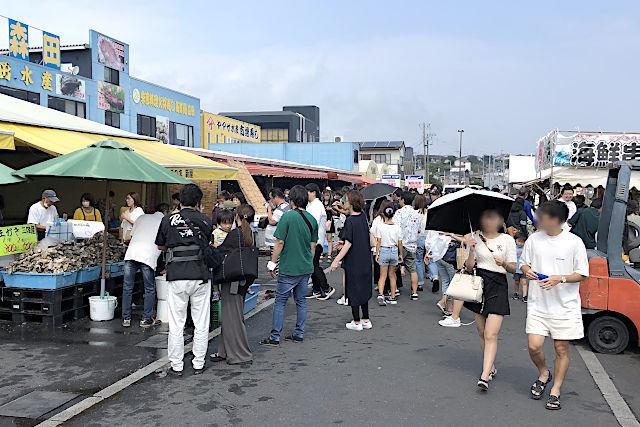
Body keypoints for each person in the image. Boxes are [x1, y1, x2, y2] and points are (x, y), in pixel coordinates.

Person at [520, 201, 589, 410]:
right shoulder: (534, 239)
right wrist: (526, 270)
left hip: (564, 306)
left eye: (542, 216)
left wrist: (560, 278)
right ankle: (544, 373)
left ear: (556, 220)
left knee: (561, 348)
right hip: (538, 303)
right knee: (534, 345)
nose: (538, 219)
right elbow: (523, 262)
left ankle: (556, 389)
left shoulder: (574, 242)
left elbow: (582, 273)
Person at [441, 208, 517, 393]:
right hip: (479, 283)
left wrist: (504, 264)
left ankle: (484, 375)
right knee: (482, 331)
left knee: (491, 333)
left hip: (498, 285)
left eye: (493, 217)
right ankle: (490, 366)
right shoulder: (475, 237)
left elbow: (514, 269)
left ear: (500, 220)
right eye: (486, 217)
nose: (489, 221)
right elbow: (468, 267)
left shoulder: (507, 239)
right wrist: (471, 250)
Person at [155, 184, 213, 376]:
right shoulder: (205, 220)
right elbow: (209, 245)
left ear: (180, 200)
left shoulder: (168, 220)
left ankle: (177, 365)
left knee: (177, 323)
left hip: (176, 276)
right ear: (198, 202)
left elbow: (160, 246)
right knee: (201, 322)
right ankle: (198, 363)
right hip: (200, 276)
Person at [261, 185, 318, 346]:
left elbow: (279, 241)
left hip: (288, 267)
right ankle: (298, 333)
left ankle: (275, 336)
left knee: (280, 302)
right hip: (305, 267)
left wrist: (272, 263)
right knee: (301, 301)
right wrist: (308, 262)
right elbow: (312, 246)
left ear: (291, 200)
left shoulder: (287, 217)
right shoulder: (311, 219)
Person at [210, 204, 256, 365]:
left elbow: (219, 253)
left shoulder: (236, 234)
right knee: (232, 316)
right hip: (243, 280)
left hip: (232, 281)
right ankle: (224, 350)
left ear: (237, 217)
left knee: (232, 317)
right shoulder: (249, 233)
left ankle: (240, 354)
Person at [330, 190, 373, 330]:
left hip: (354, 261)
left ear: (352, 203)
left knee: (354, 289)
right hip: (365, 259)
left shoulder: (350, 220)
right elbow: (359, 238)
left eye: (346, 200)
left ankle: (356, 322)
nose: (344, 202)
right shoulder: (362, 217)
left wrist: (336, 260)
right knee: (364, 289)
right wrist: (343, 244)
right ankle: (366, 319)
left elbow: (349, 243)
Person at [122, 203, 169, 328]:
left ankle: (126, 318)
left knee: (127, 287)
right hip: (147, 256)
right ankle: (146, 319)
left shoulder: (142, 218)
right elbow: (165, 242)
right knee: (149, 288)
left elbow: (131, 235)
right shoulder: (165, 221)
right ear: (165, 212)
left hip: (131, 254)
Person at [305, 183, 335, 300]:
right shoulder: (312, 205)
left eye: (307, 192)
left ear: (313, 193)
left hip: (316, 240)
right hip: (314, 240)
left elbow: (313, 223)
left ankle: (326, 288)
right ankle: (317, 289)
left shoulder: (316, 206)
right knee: (313, 265)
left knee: (314, 265)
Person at [393, 191, 422, 300]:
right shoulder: (417, 213)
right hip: (413, 244)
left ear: (403, 200)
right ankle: (414, 293)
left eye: (400, 199)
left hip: (401, 244)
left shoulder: (399, 213)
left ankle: (394, 289)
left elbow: (396, 228)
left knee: (394, 268)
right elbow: (418, 229)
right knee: (413, 269)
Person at [373, 203, 402, 306]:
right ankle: (393, 297)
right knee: (392, 275)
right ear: (393, 215)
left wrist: (377, 254)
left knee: (382, 275)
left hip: (384, 250)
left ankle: (381, 294)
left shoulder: (380, 227)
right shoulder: (397, 228)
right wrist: (400, 254)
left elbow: (378, 242)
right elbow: (399, 242)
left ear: (384, 215)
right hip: (394, 251)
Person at [414, 194, 438, 292]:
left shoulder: (415, 213)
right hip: (429, 238)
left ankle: (419, 283)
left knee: (418, 261)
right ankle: (435, 277)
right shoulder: (429, 212)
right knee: (431, 260)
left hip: (419, 238)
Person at [210, 209, 235, 302]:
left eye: (230, 223)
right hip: (218, 258)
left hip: (229, 258)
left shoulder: (232, 233)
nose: (228, 226)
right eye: (225, 223)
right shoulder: (216, 232)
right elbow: (213, 244)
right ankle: (216, 292)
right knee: (215, 274)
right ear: (219, 223)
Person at [265, 188, 291, 274]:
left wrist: (269, 210)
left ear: (276, 197)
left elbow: (272, 221)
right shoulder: (286, 206)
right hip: (277, 240)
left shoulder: (281, 208)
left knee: (276, 262)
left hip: (276, 241)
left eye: (271, 198)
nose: (270, 201)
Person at [512, 232, 528, 302]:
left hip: (524, 268)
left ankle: (525, 296)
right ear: (515, 240)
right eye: (518, 241)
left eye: (522, 242)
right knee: (516, 282)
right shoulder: (513, 249)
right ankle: (516, 293)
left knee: (524, 282)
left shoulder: (526, 249)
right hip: (516, 269)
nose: (520, 243)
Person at [323, 189, 336, 261]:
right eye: (325, 195)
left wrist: (331, 209)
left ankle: (329, 254)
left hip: (329, 222)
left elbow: (335, 213)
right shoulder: (321, 203)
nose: (326, 197)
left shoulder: (332, 203)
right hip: (322, 222)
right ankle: (321, 254)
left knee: (329, 239)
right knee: (321, 238)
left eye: (327, 195)